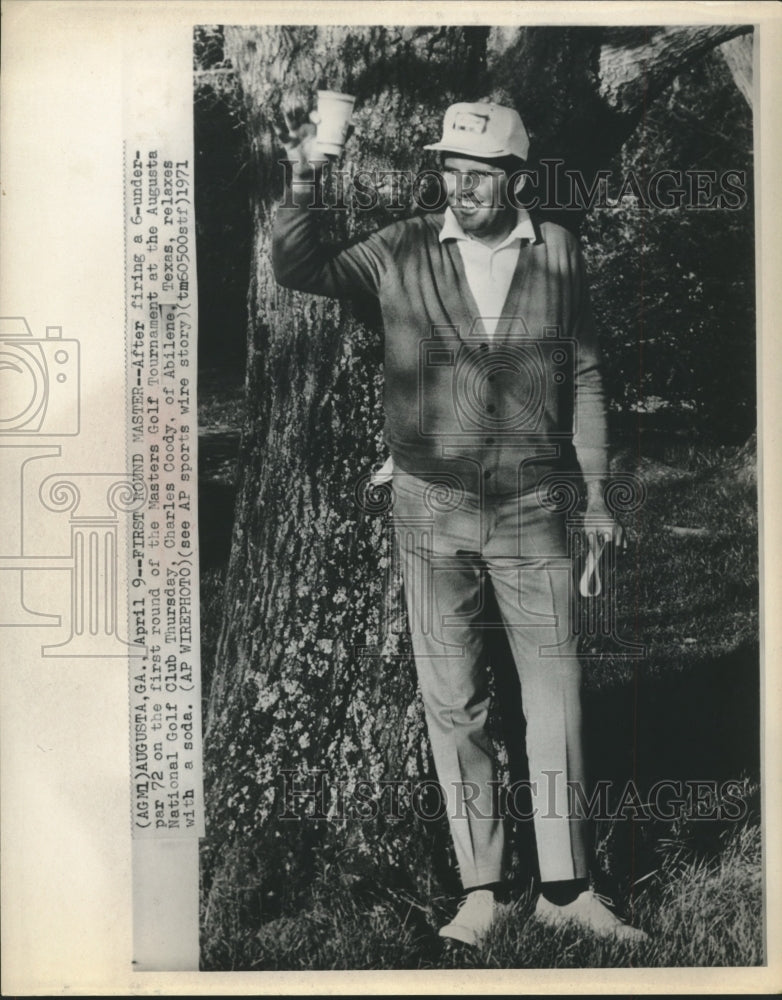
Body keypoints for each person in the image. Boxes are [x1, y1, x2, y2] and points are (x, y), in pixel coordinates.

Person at [272, 99, 647, 947]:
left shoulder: (557, 252)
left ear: (516, 176)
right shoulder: (402, 248)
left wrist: (595, 498)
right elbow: (296, 264)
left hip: (535, 508)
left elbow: (584, 376)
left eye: (479, 172)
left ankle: (567, 890)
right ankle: (483, 889)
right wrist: (314, 162)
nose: (462, 186)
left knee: (556, 694)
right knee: (454, 699)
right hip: (430, 508)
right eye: (450, 168)